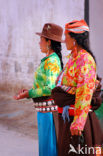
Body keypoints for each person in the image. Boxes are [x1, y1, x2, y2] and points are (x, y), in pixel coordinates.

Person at [52, 20, 103, 156]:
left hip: (78, 121)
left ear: (74, 39)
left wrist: (78, 122)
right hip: (67, 118)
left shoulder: (85, 60)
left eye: (66, 36)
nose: (64, 40)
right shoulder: (73, 58)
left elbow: (84, 92)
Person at [14, 23, 64, 156]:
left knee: (49, 150)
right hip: (44, 111)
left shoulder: (52, 61)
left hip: (48, 114)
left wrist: (29, 93)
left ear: (49, 42)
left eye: (41, 39)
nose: (39, 42)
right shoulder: (48, 60)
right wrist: (31, 91)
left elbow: (50, 88)